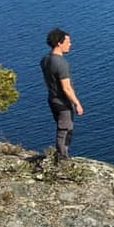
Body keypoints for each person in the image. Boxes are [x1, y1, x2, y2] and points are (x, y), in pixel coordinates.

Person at [40, 28, 83, 163]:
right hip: (62, 102)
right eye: (67, 41)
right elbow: (66, 88)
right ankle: (62, 159)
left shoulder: (45, 60)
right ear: (59, 43)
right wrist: (77, 103)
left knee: (64, 127)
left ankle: (62, 155)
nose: (70, 44)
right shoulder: (61, 63)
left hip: (52, 99)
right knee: (65, 129)